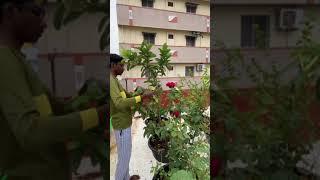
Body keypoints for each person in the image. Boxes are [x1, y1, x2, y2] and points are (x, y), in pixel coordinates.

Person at [0, 0, 107, 179]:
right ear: (11, 11)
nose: (44, 23)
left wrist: (88, 97)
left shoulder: (17, 59)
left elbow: (57, 111)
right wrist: (99, 115)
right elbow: (30, 131)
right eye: (36, 12)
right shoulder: (4, 60)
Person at [110, 54, 153, 180]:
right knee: (124, 157)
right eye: (121, 66)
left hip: (125, 123)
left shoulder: (115, 80)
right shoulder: (111, 81)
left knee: (125, 155)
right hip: (122, 125)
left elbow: (127, 95)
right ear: (113, 65)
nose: (123, 69)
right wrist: (141, 97)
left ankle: (126, 177)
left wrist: (140, 93)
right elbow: (118, 102)